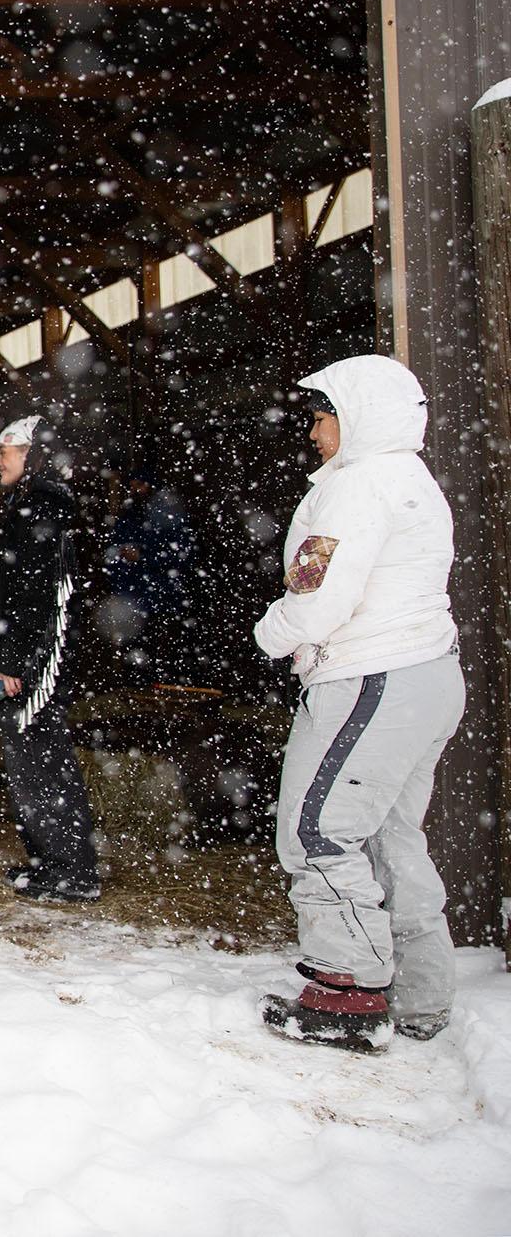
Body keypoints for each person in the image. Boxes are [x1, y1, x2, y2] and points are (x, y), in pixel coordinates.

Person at [253, 356, 463, 1053]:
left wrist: (271, 632)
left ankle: (349, 989)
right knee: (389, 834)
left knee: (319, 829)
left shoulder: (360, 485)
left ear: (358, 416)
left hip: (370, 677)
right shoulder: (413, 480)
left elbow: (318, 593)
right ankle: (420, 990)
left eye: (322, 416)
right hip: (425, 674)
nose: (313, 430)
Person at [0, 416, 101, 902]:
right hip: (28, 651)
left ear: (34, 455)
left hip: (33, 659)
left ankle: (71, 870)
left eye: (8, 449)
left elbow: (31, 595)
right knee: (30, 760)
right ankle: (49, 860)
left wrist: (12, 663)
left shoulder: (42, 505)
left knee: (40, 761)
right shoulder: (32, 503)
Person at [104, 464, 197, 681]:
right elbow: (113, 551)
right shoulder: (130, 515)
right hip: (134, 598)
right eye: (133, 485)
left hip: (161, 598)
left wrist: (145, 556)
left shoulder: (169, 514)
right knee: (136, 656)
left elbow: (181, 554)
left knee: (163, 653)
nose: (136, 490)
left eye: (141, 485)